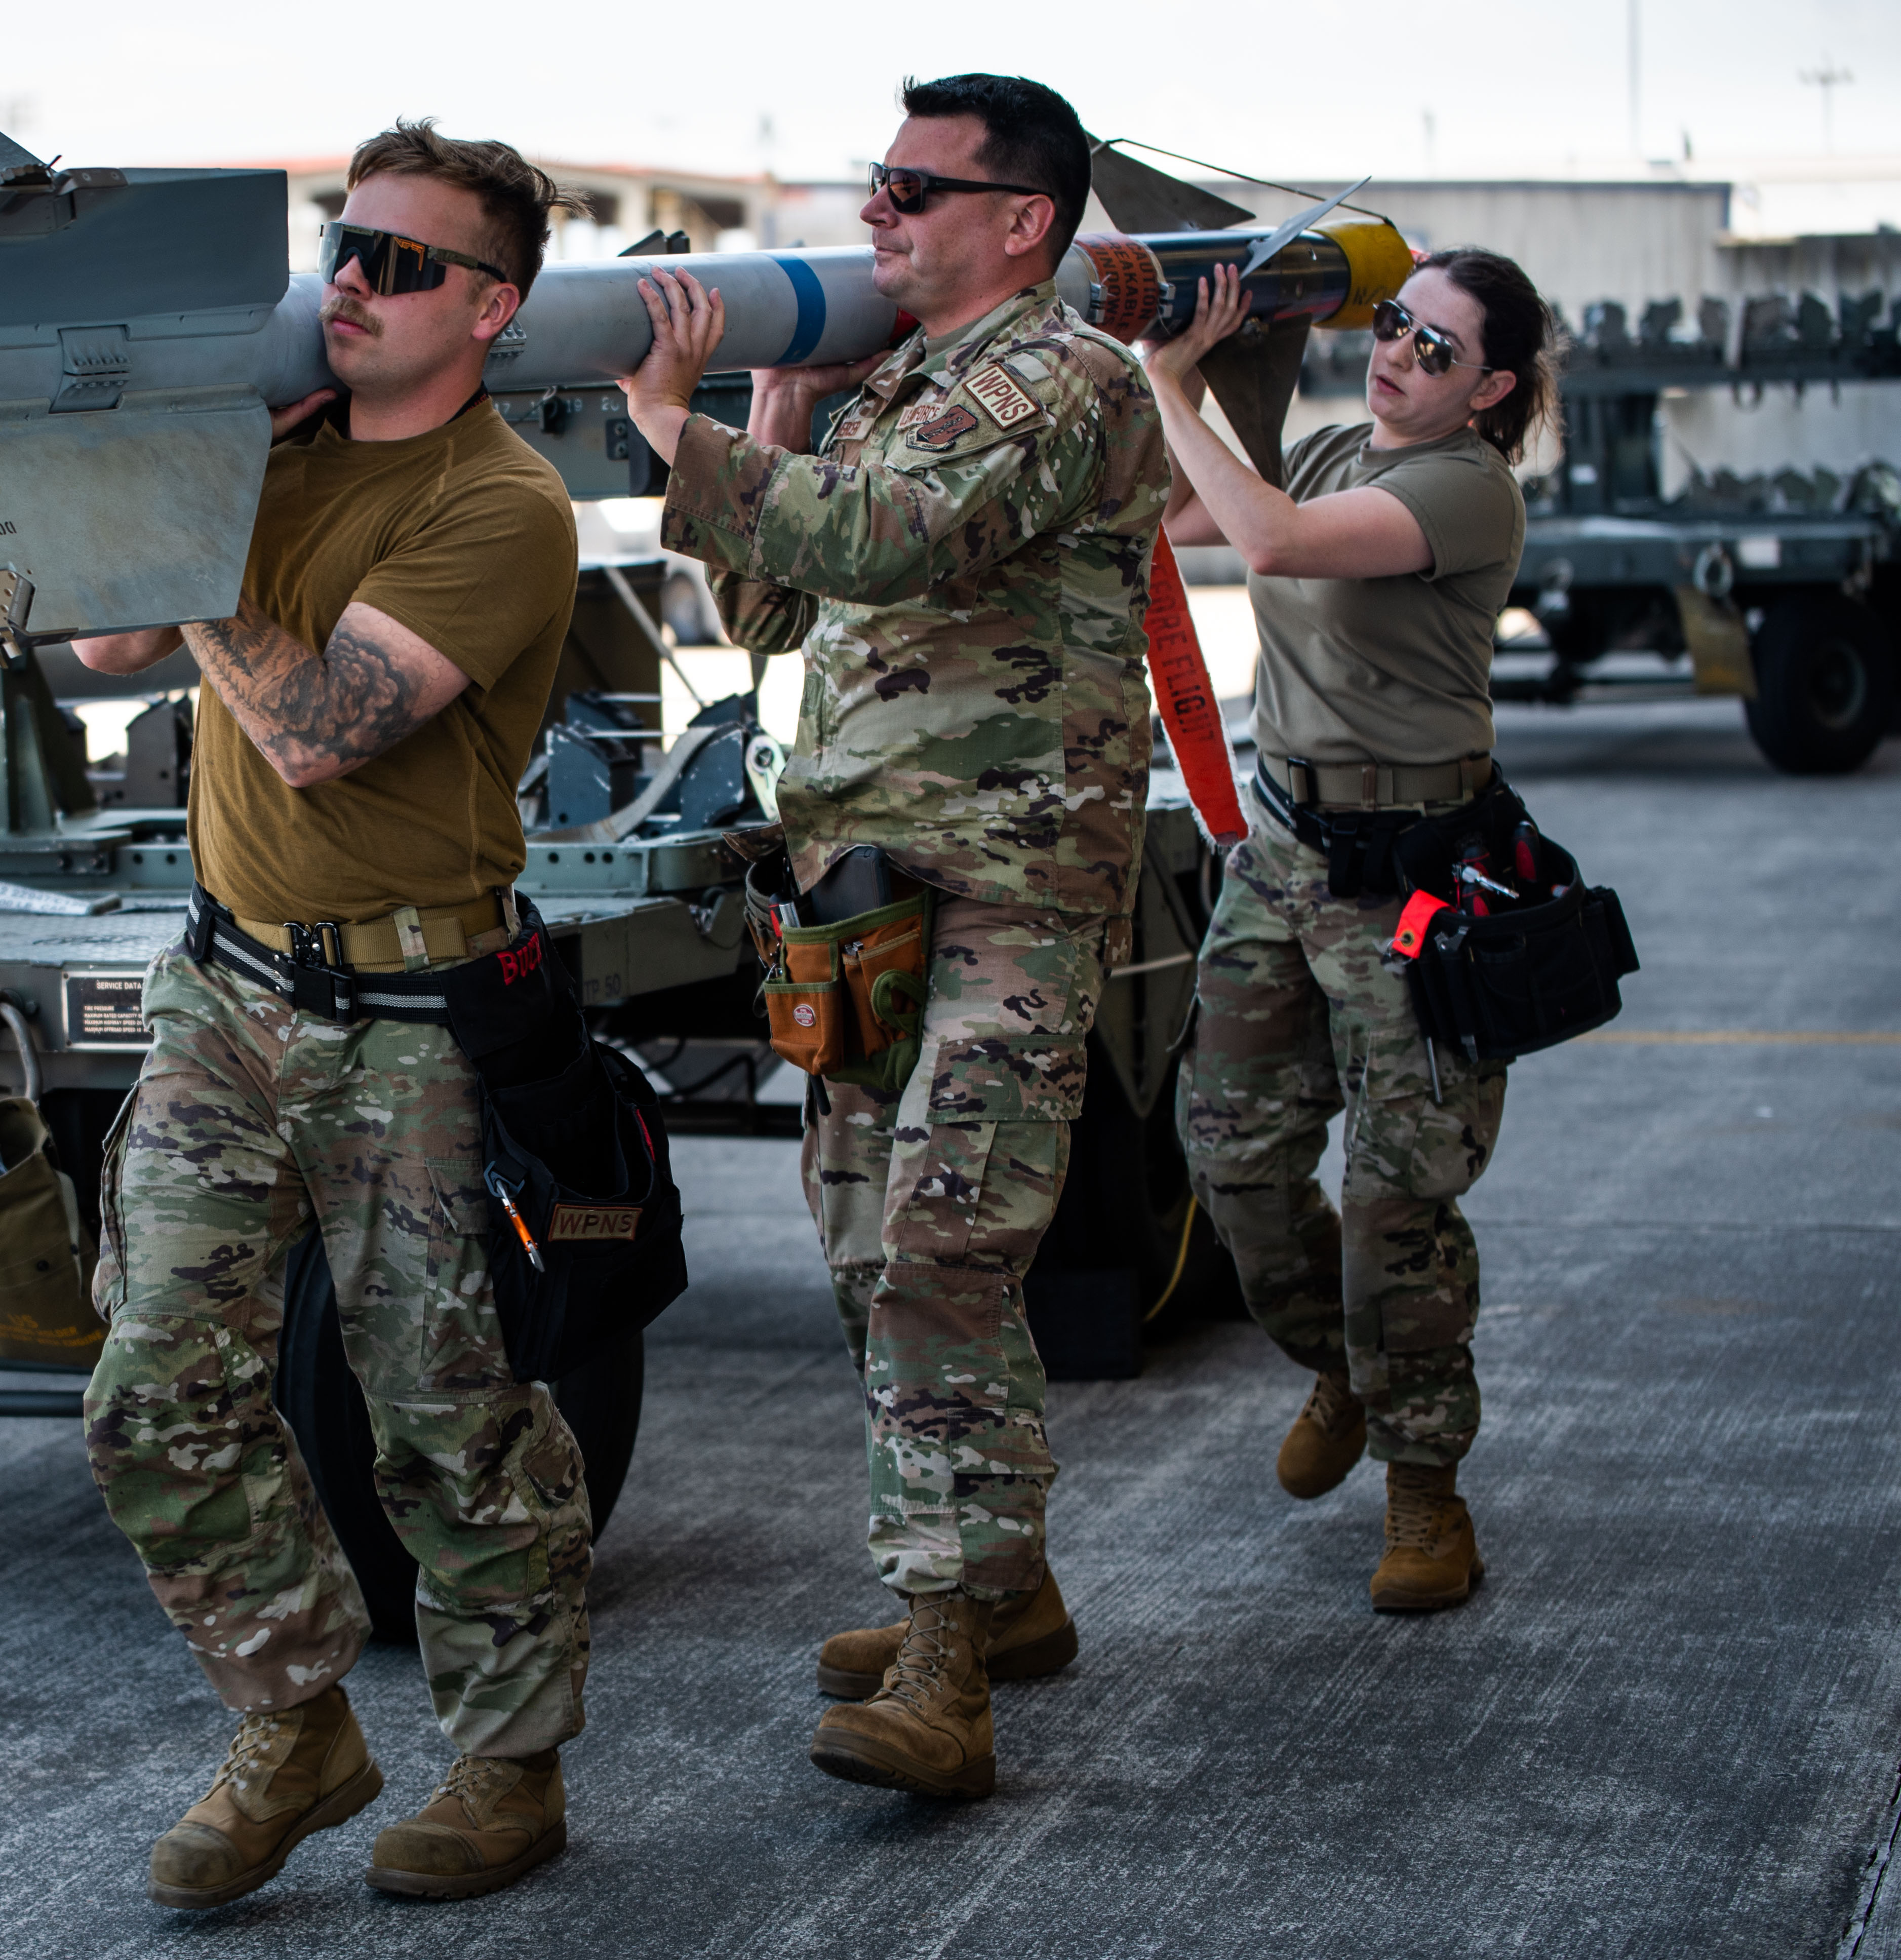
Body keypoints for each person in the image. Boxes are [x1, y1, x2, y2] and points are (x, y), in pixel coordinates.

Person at [620, 72, 1167, 1799]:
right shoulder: (901, 387)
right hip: (867, 887)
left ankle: (945, 1657)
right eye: (877, 180)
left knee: (944, 1242)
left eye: (914, 189)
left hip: (1009, 881)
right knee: (867, 1243)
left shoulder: (1057, 376)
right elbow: (772, 603)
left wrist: (672, 424)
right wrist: (773, 408)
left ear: (1021, 222)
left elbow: (881, 539)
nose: (877, 211)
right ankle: (1005, 1593)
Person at [71, 122, 589, 1906]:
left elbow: (316, 730)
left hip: (410, 1015)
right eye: (342, 247)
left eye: (403, 262)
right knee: (153, 1387)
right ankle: (294, 1722)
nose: (352, 282)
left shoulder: (500, 504)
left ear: (491, 309)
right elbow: (107, 652)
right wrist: (192, 468)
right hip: (224, 988)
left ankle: (509, 1767)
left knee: (443, 1416)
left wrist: (197, 540)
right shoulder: (274, 456)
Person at [1143, 249, 1557, 1612]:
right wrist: (1191, 366)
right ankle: (1344, 1364)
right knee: (1231, 1162)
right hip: (1281, 856)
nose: (1394, 355)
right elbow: (1186, 518)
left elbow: (1267, 541)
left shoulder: (1464, 488)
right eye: (1390, 324)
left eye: (1435, 349)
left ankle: (1426, 1488)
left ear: (1489, 389)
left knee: (1397, 1198)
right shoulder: (1329, 452)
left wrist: (1169, 377)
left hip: (1412, 879)